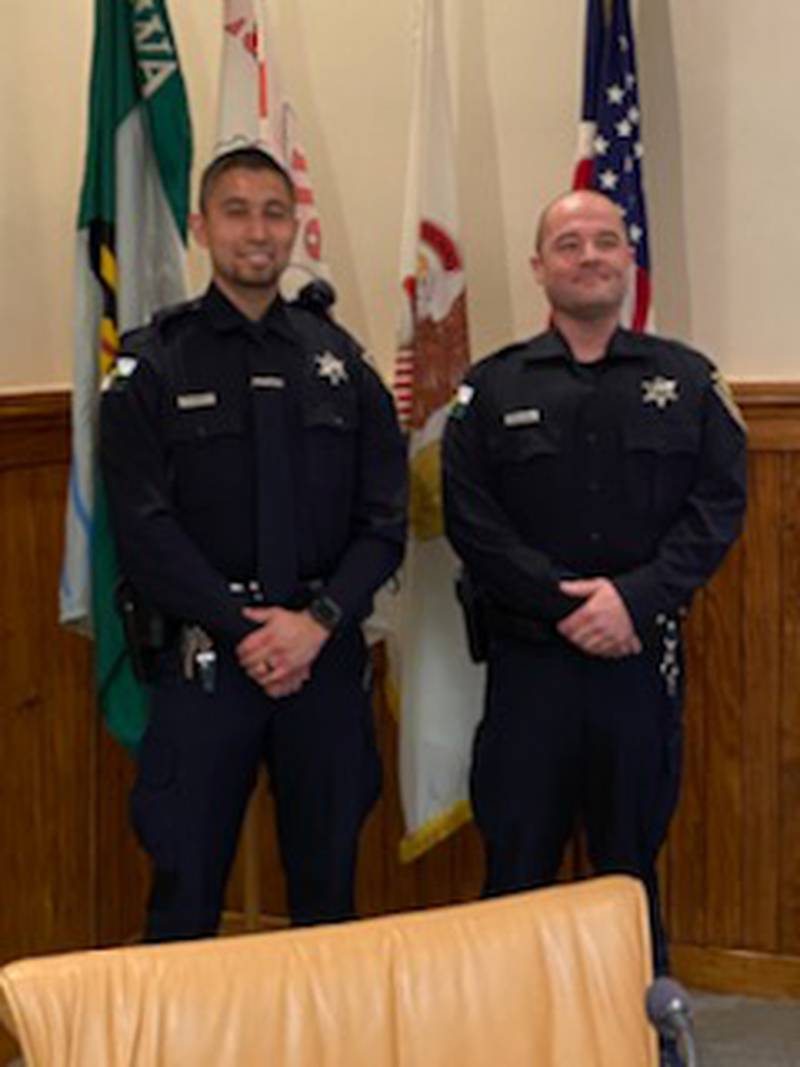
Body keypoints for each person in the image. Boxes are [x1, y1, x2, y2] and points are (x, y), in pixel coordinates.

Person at [101, 147, 407, 941]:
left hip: (324, 652)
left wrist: (316, 623)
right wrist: (250, 632)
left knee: (329, 890)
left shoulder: (341, 361)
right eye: (235, 211)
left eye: (274, 211)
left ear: (296, 226)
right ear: (202, 228)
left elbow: (384, 522)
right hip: (207, 657)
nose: (258, 230)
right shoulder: (152, 363)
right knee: (184, 891)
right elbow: (144, 530)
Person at [442, 189, 746, 976]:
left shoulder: (686, 381)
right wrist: (568, 604)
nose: (589, 256)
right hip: (530, 667)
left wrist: (633, 601)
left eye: (604, 241)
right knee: (517, 867)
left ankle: (636, 1039)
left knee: (629, 869)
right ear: (539, 268)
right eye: (569, 244)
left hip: (637, 666)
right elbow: (473, 523)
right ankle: (504, 1040)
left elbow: (717, 508)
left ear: (627, 260)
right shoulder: (491, 389)